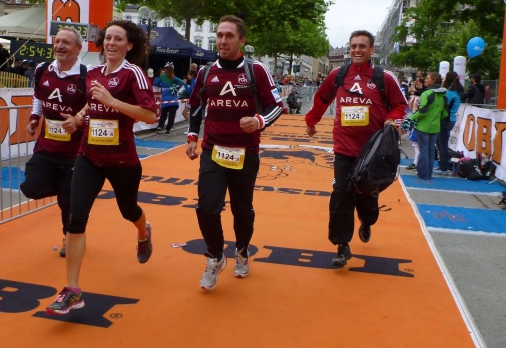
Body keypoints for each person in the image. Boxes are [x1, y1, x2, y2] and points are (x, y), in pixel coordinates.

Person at [46, 20, 157, 315]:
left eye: (118, 39)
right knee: (75, 217)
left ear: (129, 45)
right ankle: (72, 290)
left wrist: (113, 101)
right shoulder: (93, 73)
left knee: (128, 210)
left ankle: (143, 232)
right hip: (89, 156)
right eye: (108, 38)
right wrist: (79, 118)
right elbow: (91, 104)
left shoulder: (133, 73)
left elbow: (150, 115)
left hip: (122, 160)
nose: (111, 43)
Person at [186, 15, 282, 290]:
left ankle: (241, 251)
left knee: (242, 211)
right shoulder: (206, 73)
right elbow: (196, 106)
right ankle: (215, 256)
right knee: (207, 207)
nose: (223, 40)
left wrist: (259, 121)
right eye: (219, 35)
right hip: (213, 151)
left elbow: (277, 105)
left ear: (242, 40)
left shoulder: (256, 70)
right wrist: (192, 136)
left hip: (245, 154)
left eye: (229, 36)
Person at [305, 30, 407, 266]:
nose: (357, 50)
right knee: (341, 194)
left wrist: (391, 121)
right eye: (353, 46)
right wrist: (311, 121)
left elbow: (400, 105)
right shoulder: (338, 74)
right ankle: (341, 245)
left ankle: (367, 221)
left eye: (362, 46)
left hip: (373, 152)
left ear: (372, 50)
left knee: (366, 195)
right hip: (344, 148)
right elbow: (322, 98)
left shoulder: (384, 77)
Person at [20, 28, 87, 259]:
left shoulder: (86, 75)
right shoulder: (42, 69)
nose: (59, 46)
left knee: (68, 202)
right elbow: (38, 97)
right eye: (57, 41)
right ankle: (67, 190)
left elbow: (94, 106)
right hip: (47, 146)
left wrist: (78, 120)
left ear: (78, 48)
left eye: (66, 43)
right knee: (31, 187)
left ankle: (69, 235)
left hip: (74, 152)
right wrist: (34, 119)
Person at [413, 71, 448, 181]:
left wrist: (411, 117)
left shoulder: (426, 94)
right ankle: (428, 174)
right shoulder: (443, 94)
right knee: (431, 150)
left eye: (427, 78)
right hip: (435, 126)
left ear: (433, 80)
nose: (425, 80)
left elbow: (422, 112)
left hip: (424, 126)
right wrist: (436, 118)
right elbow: (445, 113)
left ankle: (423, 174)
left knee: (423, 150)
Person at [434, 71, 462, 175]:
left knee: (442, 143)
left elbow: (442, 105)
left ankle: (444, 167)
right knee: (440, 142)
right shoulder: (456, 92)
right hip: (451, 119)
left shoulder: (449, 93)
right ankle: (443, 163)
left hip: (446, 119)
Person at [153, 62, 185, 135]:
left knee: (163, 115)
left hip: (165, 100)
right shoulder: (173, 77)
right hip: (174, 100)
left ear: (166, 69)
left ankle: (159, 127)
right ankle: (168, 129)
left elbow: (156, 83)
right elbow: (182, 82)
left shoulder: (162, 76)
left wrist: (161, 84)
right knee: (171, 116)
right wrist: (176, 87)